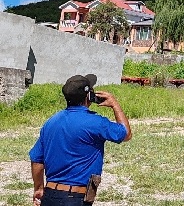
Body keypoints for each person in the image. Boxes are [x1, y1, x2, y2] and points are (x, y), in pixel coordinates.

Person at [29, 73, 132, 205]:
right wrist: (114, 104)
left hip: (50, 196)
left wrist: (38, 188)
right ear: (89, 96)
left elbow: (37, 159)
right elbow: (126, 134)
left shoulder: (51, 122)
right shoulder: (96, 123)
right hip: (75, 198)